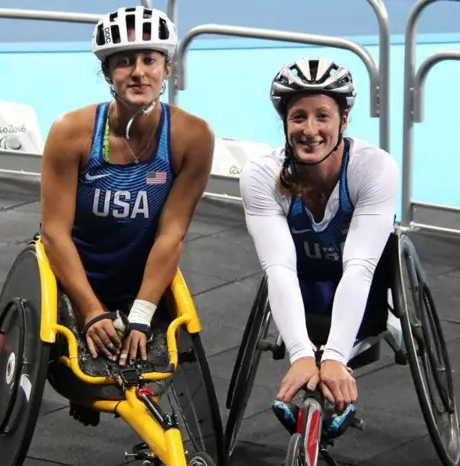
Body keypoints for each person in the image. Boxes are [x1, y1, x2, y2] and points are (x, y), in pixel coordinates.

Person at [40, 6, 214, 368]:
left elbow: (172, 234)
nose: (138, 72)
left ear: (167, 69)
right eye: (124, 61)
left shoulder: (192, 137)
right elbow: (55, 233)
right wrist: (90, 310)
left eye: (149, 59)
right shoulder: (70, 133)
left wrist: (142, 314)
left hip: (140, 277)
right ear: (107, 71)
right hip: (72, 275)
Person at [239, 58, 399, 430]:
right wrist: (300, 355)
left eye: (322, 116)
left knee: (359, 277)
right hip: (304, 283)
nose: (310, 130)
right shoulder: (261, 176)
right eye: (299, 118)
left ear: (343, 121)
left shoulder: (373, 169)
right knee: (294, 295)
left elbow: (360, 268)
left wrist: (335, 357)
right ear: (285, 123)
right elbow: (278, 270)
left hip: (364, 285)